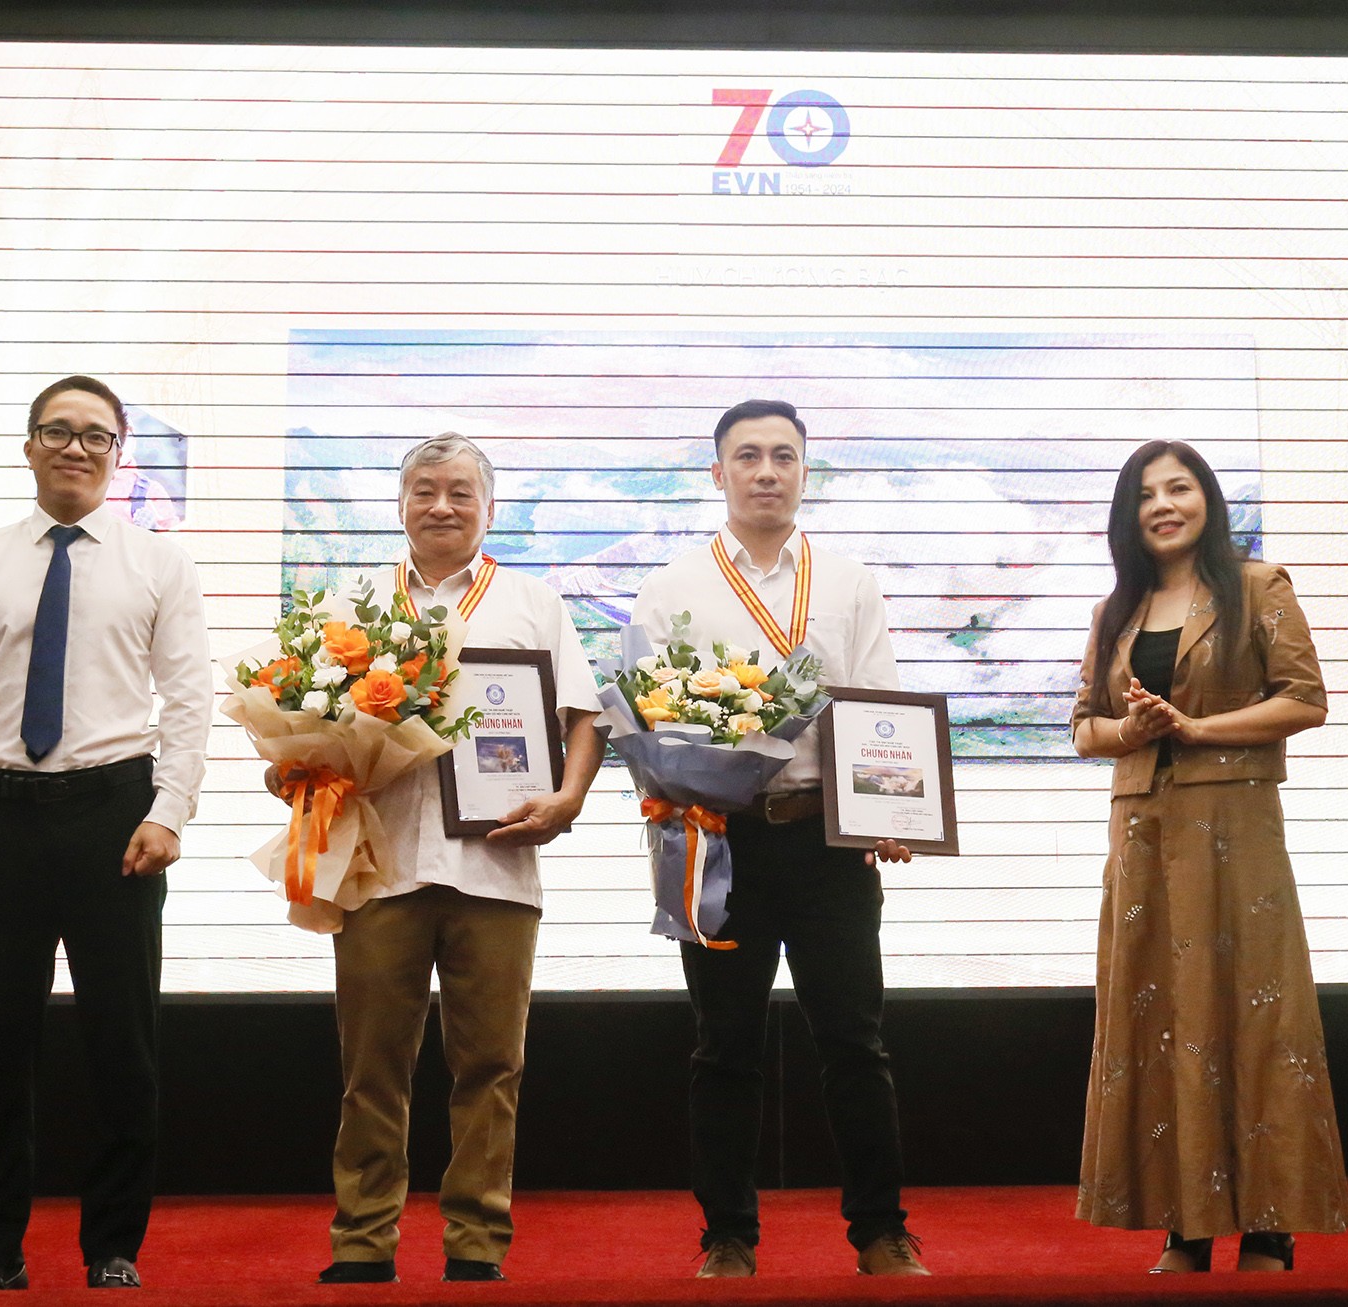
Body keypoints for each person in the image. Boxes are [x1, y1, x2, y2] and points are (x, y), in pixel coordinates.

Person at [0, 375, 213, 1291]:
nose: (76, 447)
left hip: (117, 821)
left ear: (118, 453)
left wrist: (168, 811)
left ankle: (114, 1247)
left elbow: (189, 699)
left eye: (95, 435)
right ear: (28, 446)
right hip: (0, 821)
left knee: (123, 1046)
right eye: (58, 431)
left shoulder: (159, 564)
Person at [630, 399, 927, 1278]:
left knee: (855, 1041)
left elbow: (880, 706)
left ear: (804, 470)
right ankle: (727, 1235)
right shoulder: (672, 586)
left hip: (825, 842)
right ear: (717, 472)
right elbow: (646, 715)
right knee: (724, 1044)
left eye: (784, 456)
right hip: (719, 843)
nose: (767, 471)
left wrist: (888, 812)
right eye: (749, 455)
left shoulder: (847, 582)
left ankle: (880, 1231)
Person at [310, 433, 604, 1285]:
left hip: (496, 866)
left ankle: (476, 1241)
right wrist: (299, 765)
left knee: (492, 1066)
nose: (442, 505)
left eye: (460, 491)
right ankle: (363, 1242)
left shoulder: (532, 601)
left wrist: (569, 798)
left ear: (489, 507)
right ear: (400, 503)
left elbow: (583, 715)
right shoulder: (354, 598)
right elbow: (306, 708)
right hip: (380, 863)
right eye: (425, 490)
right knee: (372, 1068)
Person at [1071, 440, 1348, 1273]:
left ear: (1208, 499)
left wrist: (1196, 728)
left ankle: (1270, 1224)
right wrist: (1133, 728)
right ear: (1127, 516)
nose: (1163, 505)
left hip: (1235, 829)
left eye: (1180, 488)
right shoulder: (1116, 609)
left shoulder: (1259, 586)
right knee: (1160, 1017)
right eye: (1146, 494)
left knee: (1255, 1012)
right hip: (1143, 836)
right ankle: (1184, 1223)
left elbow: (1305, 699)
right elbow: (1085, 728)